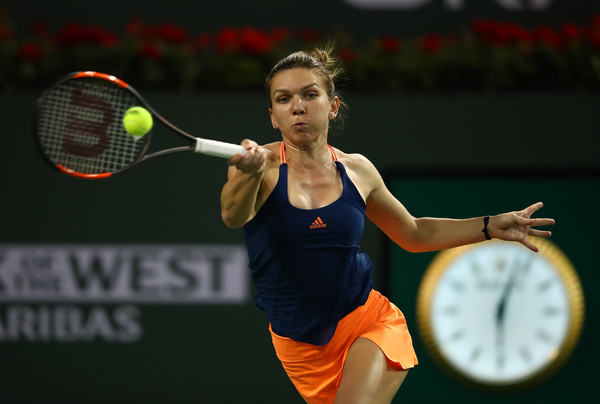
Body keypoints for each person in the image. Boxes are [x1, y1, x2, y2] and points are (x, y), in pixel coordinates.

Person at [219, 45, 555, 404]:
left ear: (332, 107)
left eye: (309, 95)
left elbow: (413, 233)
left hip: (366, 320)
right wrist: (246, 176)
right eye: (284, 99)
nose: (297, 106)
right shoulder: (259, 167)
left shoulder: (359, 170)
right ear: (273, 116)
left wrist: (488, 226)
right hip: (299, 346)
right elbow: (233, 216)